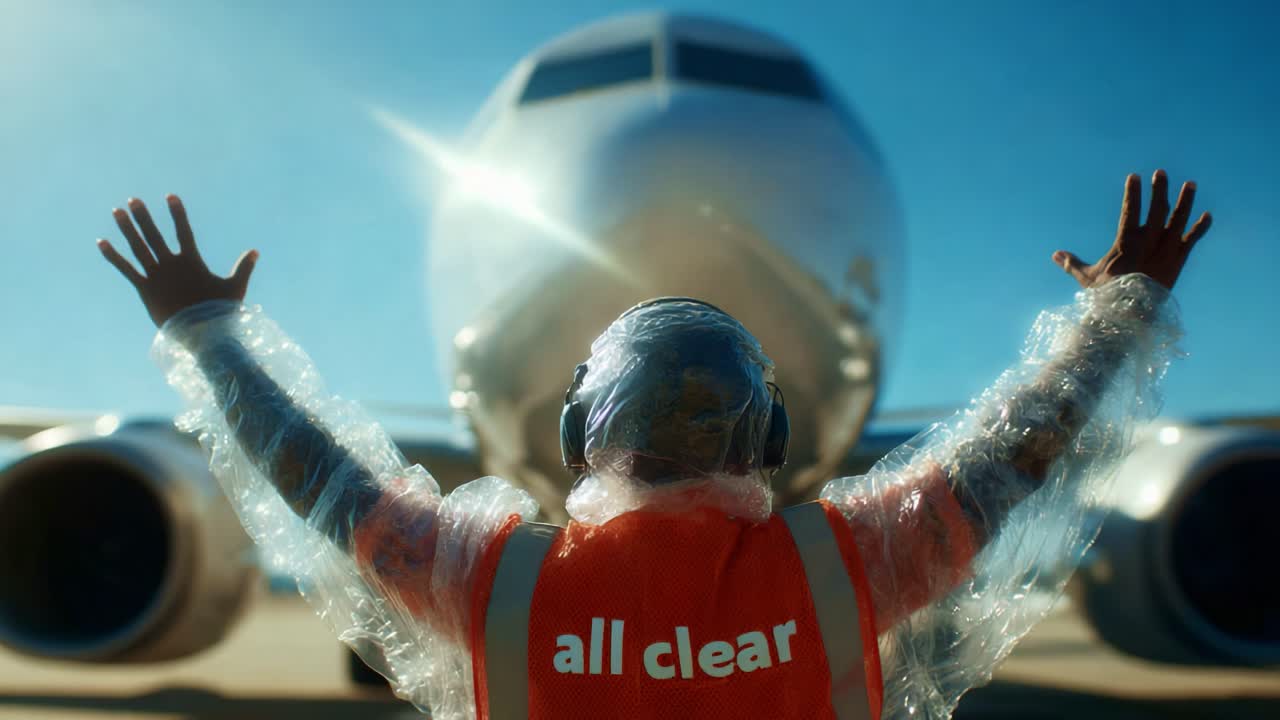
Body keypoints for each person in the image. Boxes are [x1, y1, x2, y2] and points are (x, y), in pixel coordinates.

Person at [97, 170, 1209, 720]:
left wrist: (209, 340)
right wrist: (1116, 317)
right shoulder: (847, 566)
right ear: (768, 437)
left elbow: (322, 483)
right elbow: (1016, 457)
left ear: (579, 433)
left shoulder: (497, 583)